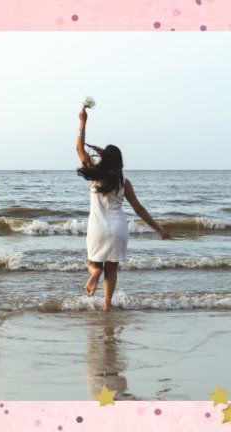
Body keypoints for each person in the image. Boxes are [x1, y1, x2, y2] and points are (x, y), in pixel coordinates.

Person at [76, 108, 169, 312]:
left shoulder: (94, 176)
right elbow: (138, 208)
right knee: (112, 269)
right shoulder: (123, 182)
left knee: (94, 263)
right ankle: (106, 306)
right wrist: (157, 228)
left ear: (104, 159)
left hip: (97, 228)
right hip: (119, 228)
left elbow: (79, 149)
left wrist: (82, 122)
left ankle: (93, 274)